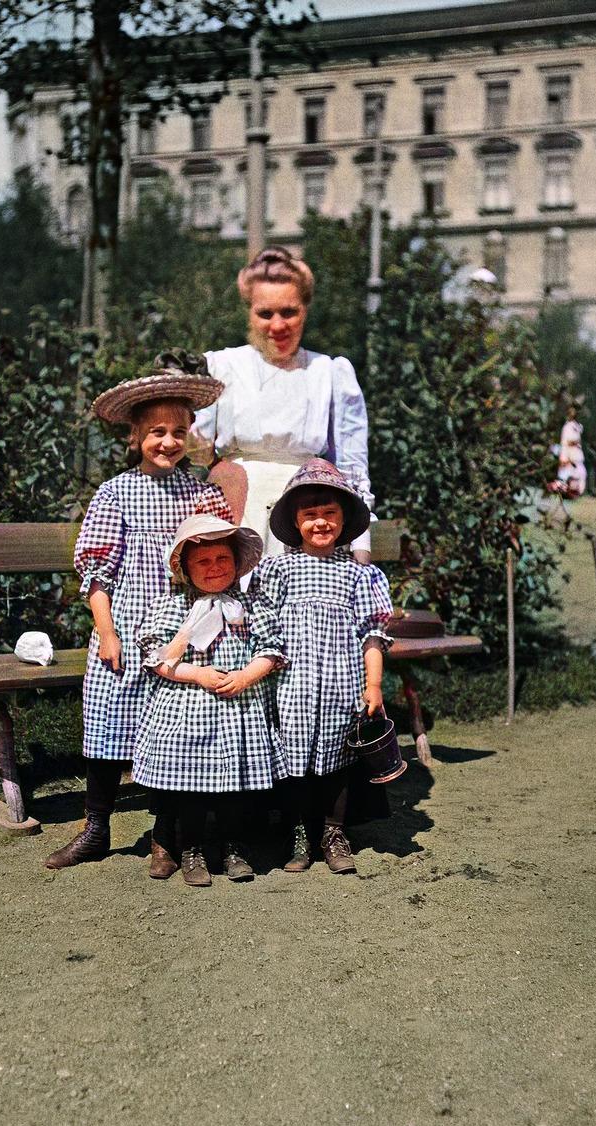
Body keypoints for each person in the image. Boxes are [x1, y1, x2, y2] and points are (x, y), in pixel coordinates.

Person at [44, 358, 232, 872]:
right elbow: (97, 574)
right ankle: (97, 827)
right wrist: (107, 633)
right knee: (108, 723)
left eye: (177, 432)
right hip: (125, 623)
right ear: (135, 437)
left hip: (185, 627)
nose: (168, 442)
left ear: (191, 434)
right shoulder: (116, 492)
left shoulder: (204, 492)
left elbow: (218, 562)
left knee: (173, 728)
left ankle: (167, 834)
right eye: (155, 433)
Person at [250, 458, 393, 876]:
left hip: (340, 684)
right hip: (291, 684)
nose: (320, 523)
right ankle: (298, 833)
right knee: (293, 760)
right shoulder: (276, 569)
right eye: (310, 515)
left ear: (344, 519)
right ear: (295, 522)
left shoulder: (359, 575)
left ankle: (333, 832)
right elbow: (262, 622)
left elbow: (373, 634)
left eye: (329, 514)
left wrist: (374, 684)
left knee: (337, 761)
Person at [132, 514, 288, 886]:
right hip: (188, 707)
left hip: (239, 710)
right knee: (190, 789)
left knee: (237, 788)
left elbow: (272, 649)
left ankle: (235, 848)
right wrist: (196, 673)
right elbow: (155, 657)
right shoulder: (172, 605)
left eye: (222, 560)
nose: (214, 568)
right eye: (202, 561)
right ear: (185, 568)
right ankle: (191, 848)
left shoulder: (249, 606)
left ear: (236, 563)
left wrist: (247, 675)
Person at [192, 246, 375, 563]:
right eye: (265, 314)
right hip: (234, 508)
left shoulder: (329, 373)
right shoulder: (220, 367)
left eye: (289, 312)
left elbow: (351, 469)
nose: (278, 326)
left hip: (308, 515)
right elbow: (194, 454)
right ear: (249, 311)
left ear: (305, 309)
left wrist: (360, 547)